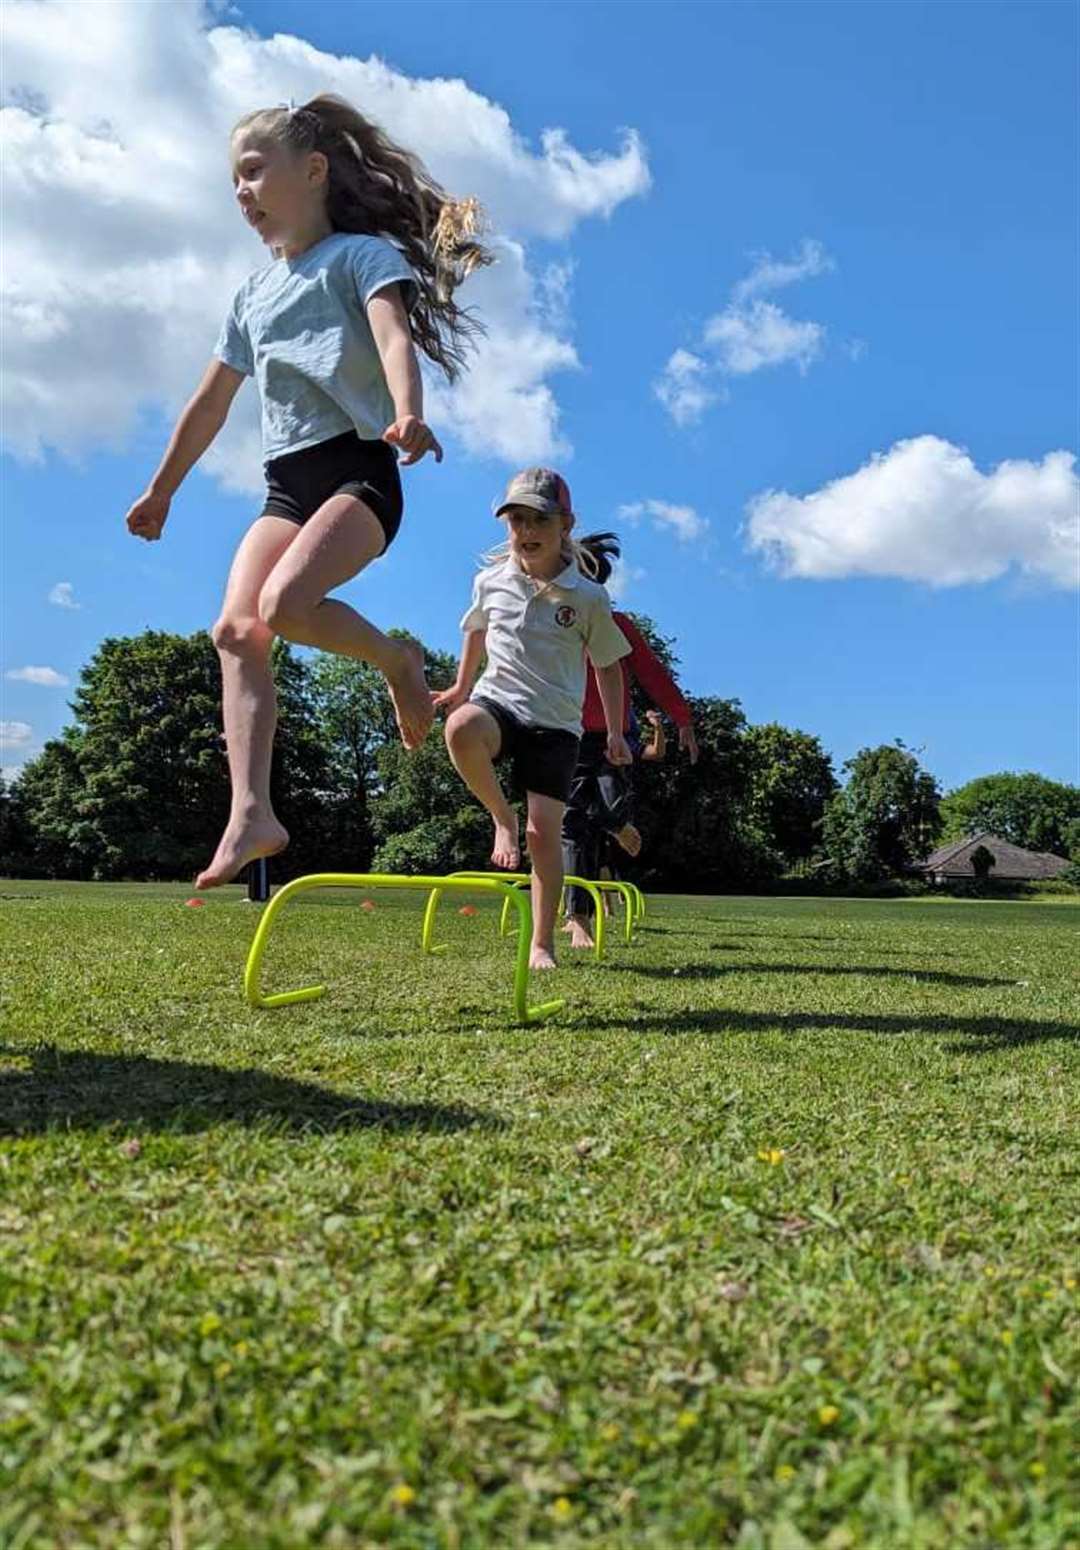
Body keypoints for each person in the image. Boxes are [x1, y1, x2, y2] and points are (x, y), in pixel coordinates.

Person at [124, 94, 491, 888]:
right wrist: (162, 491)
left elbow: (393, 333)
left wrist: (408, 413)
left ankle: (397, 661)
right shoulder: (250, 297)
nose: (242, 192)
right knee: (236, 630)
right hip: (285, 484)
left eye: (254, 171)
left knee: (285, 606)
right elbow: (210, 401)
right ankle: (251, 811)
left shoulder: (359, 257)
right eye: (234, 182)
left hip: (361, 469)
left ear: (314, 169)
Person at [433, 470, 632, 970]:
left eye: (538, 519)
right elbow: (476, 630)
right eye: (516, 520)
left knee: (545, 833)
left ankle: (542, 942)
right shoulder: (490, 581)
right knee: (459, 728)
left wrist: (612, 732)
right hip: (499, 703)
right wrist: (460, 687)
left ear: (566, 523)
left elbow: (608, 665)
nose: (526, 530)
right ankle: (502, 818)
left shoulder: (587, 597)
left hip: (555, 724)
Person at [561, 534, 699, 950]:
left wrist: (683, 719)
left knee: (607, 809)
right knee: (573, 821)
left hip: (616, 738)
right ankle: (578, 916)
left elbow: (652, 672)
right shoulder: (553, 622)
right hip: (567, 731)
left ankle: (614, 835)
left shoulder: (618, 626)